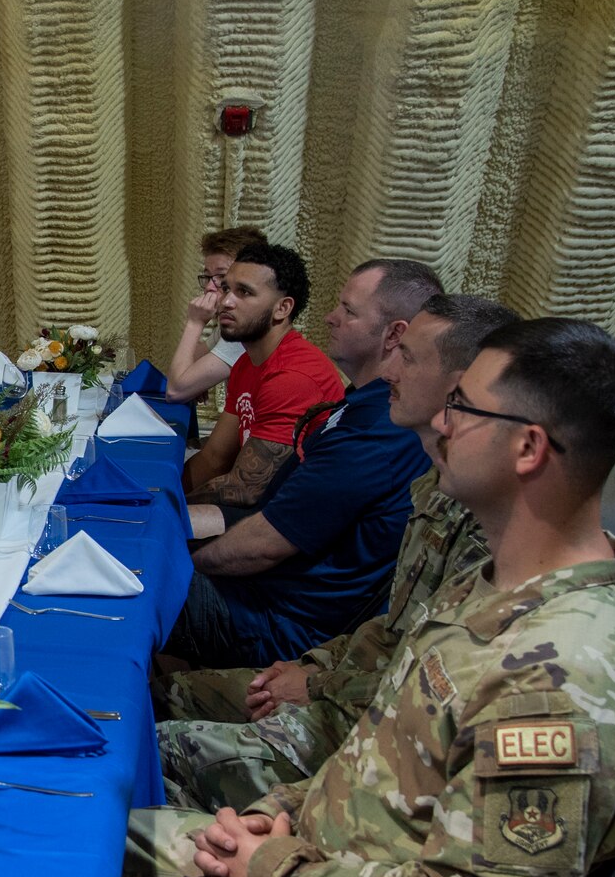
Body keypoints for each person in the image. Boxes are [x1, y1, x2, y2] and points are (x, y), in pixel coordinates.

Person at [109, 318, 615, 877]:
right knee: (79, 847)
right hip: (320, 863)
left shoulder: (558, 684)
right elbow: (377, 758)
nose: (441, 419)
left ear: (528, 447)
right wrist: (279, 814)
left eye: (463, 406)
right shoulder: (494, 582)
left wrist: (271, 868)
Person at [156, 294, 520, 812]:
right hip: (335, 675)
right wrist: (310, 668)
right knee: (142, 705)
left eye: (408, 357)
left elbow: (436, 693)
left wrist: (319, 681)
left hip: (367, 736)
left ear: (462, 386)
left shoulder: (491, 533)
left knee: (136, 754)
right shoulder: (435, 490)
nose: (389, 368)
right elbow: (392, 628)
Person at [167, 260, 440, 668]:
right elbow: (255, 499)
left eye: (348, 311)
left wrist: (171, 561)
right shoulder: (361, 402)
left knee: (128, 586)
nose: (330, 318)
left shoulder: (376, 431)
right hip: (264, 589)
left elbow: (262, 543)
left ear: (394, 334)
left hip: (277, 621)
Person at [177, 243, 342, 502]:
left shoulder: (293, 376)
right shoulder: (246, 361)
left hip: (285, 517)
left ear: (282, 308)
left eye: (244, 292)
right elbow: (214, 458)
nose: (226, 301)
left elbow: (246, 489)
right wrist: (159, 493)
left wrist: (163, 510)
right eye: (226, 288)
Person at [165, 227, 262, 400]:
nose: (210, 287)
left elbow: (175, 392)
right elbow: (185, 369)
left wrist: (195, 323)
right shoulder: (230, 323)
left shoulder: (247, 329)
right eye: (207, 277)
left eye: (221, 277)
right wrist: (194, 379)